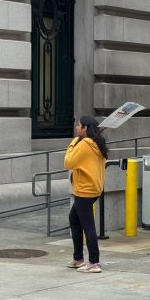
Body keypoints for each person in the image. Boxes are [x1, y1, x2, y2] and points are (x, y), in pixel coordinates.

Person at [63, 116, 107, 274]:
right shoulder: (98, 143)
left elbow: (68, 162)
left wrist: (74, 142)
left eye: (79, 125)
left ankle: (94, 262)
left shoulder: (85, 144)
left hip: (84, 190)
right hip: (93, 189)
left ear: (85, 128)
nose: (76, 127)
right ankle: (78, 258)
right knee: (74, 219)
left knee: (88, 226)